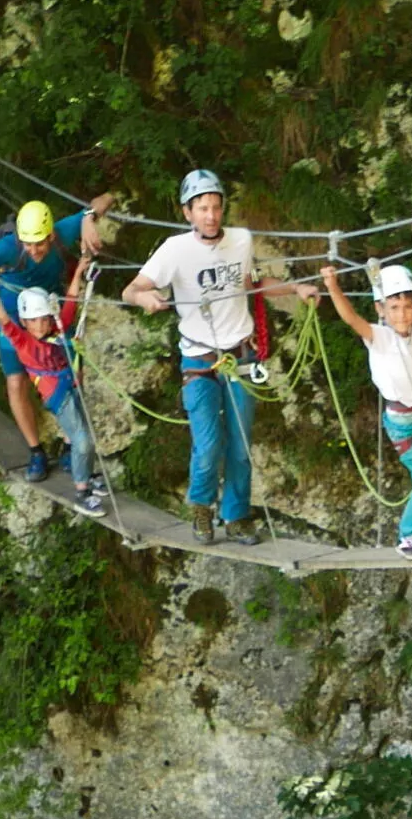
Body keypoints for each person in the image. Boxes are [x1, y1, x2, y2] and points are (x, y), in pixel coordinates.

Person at [123, 170, 316, 545]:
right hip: (198, 359)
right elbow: (131, 288)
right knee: (209, 443)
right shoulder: (174, 250)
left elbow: (252, 285)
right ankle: (201, 508)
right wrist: (143, 297)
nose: (211, 215)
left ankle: (237, 516)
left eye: (216, 207)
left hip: (241, 355)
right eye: (202, 208)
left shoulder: (241, 240)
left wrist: (296, 287)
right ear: (188, 213)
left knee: (240, 444)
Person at [0, 194, 114, 481]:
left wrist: (90, 218)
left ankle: (71, 446)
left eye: (40, 243)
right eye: (28, 243)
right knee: (16, 382)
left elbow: (107, 198)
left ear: (51, 234)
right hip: (14, 317)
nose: (33, 250)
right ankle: (36, 452)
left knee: (73, 373)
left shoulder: (62, 233)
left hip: (51, 315)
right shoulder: (11, 247)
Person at [319, 261, 412, 560]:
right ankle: (409, 536)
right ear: (381, 309)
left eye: (407, 307)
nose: (403, 314)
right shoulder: (379, 338)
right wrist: (332, 286)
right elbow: (351, 318)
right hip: (405, 422)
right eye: (394, 308)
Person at [0, 246, 107, 519]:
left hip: (71, 385)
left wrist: (79, 271)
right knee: (81, 439)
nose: (41, 324)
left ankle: (89, 477)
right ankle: (82, 492)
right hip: (57, 394)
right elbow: (2, 317)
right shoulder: (22, 340)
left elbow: (70, 300)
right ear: (25, 321)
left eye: (45, 318)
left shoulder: (56, 327)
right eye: (34, 320)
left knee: (87, 436)